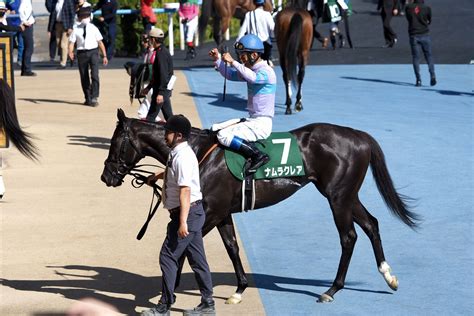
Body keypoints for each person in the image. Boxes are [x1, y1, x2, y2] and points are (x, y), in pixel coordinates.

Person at [143, 114, 215, 316]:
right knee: (197, 259)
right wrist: (156, 176)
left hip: (187, 214)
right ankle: (208, 304)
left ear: (179, 135)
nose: (165, 135)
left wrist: (182, 221)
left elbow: (185, 190)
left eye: (168, 132)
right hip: (192, 213)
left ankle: (164, 306)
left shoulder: (182, 157)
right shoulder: (177, 152)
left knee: (167, 256)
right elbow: (173, 173)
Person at [209, 34, 276, 175]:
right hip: (253, 120)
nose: (241, 58)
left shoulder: (266, 72)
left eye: (244, 55)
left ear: (255, 54)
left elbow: (253, 78)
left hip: (261, 124)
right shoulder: (251, 70)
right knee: (214, 128)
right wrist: (218, 61)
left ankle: (258, 155)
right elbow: (231, 75)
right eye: (240, 55)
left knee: (223, 136)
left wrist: (233, 62)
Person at [68, 6, 108, 106]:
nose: (85, 17)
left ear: (89, 17)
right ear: (79, 17)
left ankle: (94, 96)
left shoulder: (94, 28)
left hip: (93, 52)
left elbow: (100, 42)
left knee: (95, 75)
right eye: (83, 16)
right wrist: (70, 52)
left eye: (86, 16)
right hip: (81, 53)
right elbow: (72, 42)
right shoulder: (76, 29)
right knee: (84, 76)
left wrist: (104, 56)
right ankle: (87, 97)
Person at [140, 28, 174, 122]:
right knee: (169, 117)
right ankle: (177, 133)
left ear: (153, 39)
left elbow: (163, 75)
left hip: (161, 89)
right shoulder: (162, 51)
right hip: (163, 89)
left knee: (150, 118)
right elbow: (157, 74)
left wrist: (161, 93)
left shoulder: (161, 54)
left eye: (150, 39)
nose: (149, 41)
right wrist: (149, 87)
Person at [405, 0, 436, 87]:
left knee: (416, 57)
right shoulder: (427, 8)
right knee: (428, 56)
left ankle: (418, 79)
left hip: (413, 34)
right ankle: (432, 75)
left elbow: (409, 19)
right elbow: (429, 21)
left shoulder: (408, 8)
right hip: (424, 33)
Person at [236, 0, 274, 64]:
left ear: (254, 3)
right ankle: (269, 61)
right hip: (265, 47)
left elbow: (242, 32)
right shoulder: (267, 14)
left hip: (252, 46)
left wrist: (237, 42)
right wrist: (272, 37)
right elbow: (272, 28)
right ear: (264, 3)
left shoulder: (249, 15)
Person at [49, 0, 76, 69]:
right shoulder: (55, 3)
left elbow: (72, 15)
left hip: (66, 26)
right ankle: (70, 56)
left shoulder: (68, 2)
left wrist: (70, 27)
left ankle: (63, 63)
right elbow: (52, 16)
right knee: (58, 44)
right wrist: (50, 29)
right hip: (57, 25)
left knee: (63, 44)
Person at [19, 0, 36, 76]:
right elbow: (20, 10)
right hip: (27, 26)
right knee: (29, 48)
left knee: (27, 48)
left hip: (29, 24)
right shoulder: (25, 2)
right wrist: (24, 21)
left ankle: (24, 69)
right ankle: (27, 69)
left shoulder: (28, 1)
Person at [6, 0, 24, 66]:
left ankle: (20, 59)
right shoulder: (9, 1)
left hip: (20, 23)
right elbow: (4, 8)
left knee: (21, 44)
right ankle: (9, 59)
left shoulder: (22, 1)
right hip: (11, 25)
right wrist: (9, 11)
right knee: (11, 44)